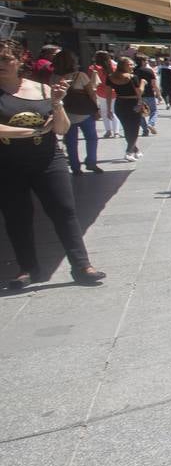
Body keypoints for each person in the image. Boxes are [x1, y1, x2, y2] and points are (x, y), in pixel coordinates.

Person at [0, 39, 105, 288]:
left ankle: (82, 266)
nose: (0, 64)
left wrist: (57, 103)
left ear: (20, 61)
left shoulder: (43, 89)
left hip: (48, 159)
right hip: (8, 163)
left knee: (64, 210)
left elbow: (61, 128)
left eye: (5, 59)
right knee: (17, 216)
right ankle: (28, 269)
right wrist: (34, 132)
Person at [52, 50, 102, 174]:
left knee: (70, 141)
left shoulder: (54, 77)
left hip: (66, 113)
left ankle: (75, 167)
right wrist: (96, 109)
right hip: (84, 113)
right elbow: (91, 94)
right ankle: (91, 162)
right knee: (91, 138)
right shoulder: (80, 75)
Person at [108, 56, 146, 161]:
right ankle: (129, 151)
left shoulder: (111, 77)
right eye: (130, 64)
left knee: (127, 128)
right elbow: (139, 92)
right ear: (123, 65)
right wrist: (143, 82)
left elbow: (108, 94)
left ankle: (135, 150)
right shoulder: (132, 77)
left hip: (120, 104)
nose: (132, 66)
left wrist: (108, 109)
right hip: (133, 103)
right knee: (134, 129)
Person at [93, 50, 120, 138]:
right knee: (114, 111)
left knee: (104, 111)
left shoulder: (94, 68)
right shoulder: (114, 67)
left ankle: (108, 131)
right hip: (114, 91)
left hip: (101, 92)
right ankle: (116, 132)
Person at [133, 54, 160, 136]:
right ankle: (151, 124)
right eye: (146, 60)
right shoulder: (149, 71)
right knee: (154, 110)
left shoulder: (133, 71)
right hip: (149, 94)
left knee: (139, 113)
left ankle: (145, 130)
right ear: (142, 61)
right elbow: (154, 84)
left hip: (136, 95)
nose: (147, 62)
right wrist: (159, 94)